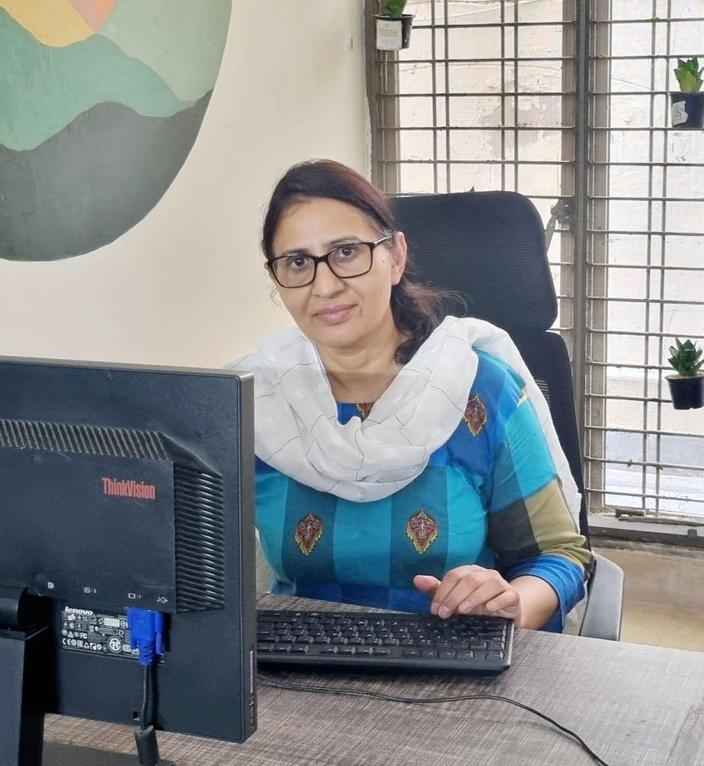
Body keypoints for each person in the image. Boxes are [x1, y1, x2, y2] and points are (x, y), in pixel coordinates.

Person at [231, 160, 591, 632]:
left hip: (451, 660)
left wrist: (511, 602)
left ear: (396, 257)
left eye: (346, 252)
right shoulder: (251, 400)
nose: (325, 286)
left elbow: (560, 556)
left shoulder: (478, 389)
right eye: (298, 262)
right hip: (293, 663)